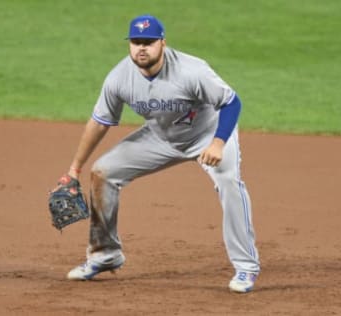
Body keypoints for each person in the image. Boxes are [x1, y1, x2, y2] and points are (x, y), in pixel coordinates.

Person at [60, 14, 260, 293]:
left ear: (162, 43)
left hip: (208, 135)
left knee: (229, 184)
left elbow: (231, 102)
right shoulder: (120, 77)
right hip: (161, 137)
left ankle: (246, 268)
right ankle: (105, 255)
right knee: (103, 172)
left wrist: (218, 142)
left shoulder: (192, 71)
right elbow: (100, 122)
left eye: (149, 42)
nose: (141, 48)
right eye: (136, 42)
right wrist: (74, 169)